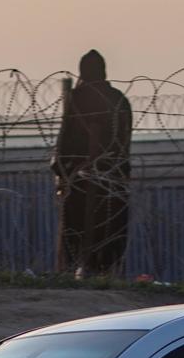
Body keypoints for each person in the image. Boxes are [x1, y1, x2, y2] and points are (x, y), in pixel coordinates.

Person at [51, 49, 133, 278]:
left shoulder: (78, 99)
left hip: (81, 180)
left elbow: (67, 138)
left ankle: (78, 273)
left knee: (78, 233)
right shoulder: (119, 99)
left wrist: (62, 171)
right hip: (115, 178)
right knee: (111, 231)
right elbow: (124, 141)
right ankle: (107, 276)